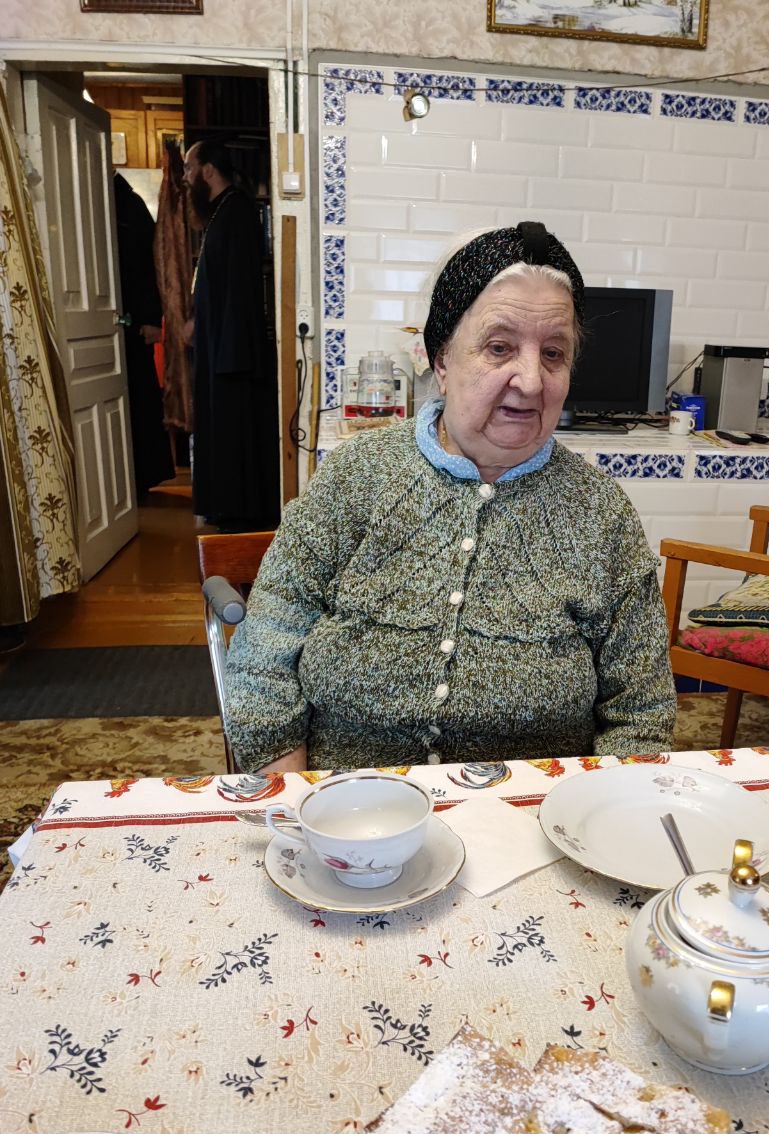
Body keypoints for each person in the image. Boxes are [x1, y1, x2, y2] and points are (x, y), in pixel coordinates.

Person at [224, 222, 676, 772]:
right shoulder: (355, 476)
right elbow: (265, 650)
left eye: (554, 354)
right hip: (347, 800)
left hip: (536, 809)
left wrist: (591, 810)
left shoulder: (601, 513)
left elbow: (642, 713)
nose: (531, 381)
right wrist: (297, 796)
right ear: (441, 361)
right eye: (499, 347)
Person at [183, 141, 279, 533]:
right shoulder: (223, 212)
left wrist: (229, 354)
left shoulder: (237, 211)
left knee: (235, 433)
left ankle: (239, 513)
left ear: (208, 170)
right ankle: (224, 508)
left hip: (233, 352)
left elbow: (240, 291)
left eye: (189, 168)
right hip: (219, 345)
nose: (186, 177)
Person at [113, 171, 175, 498]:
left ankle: (143, 476)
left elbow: (150, 267)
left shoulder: (130, 206)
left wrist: (152, 318)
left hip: (134, 323)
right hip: (123, 320)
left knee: (140, 398)